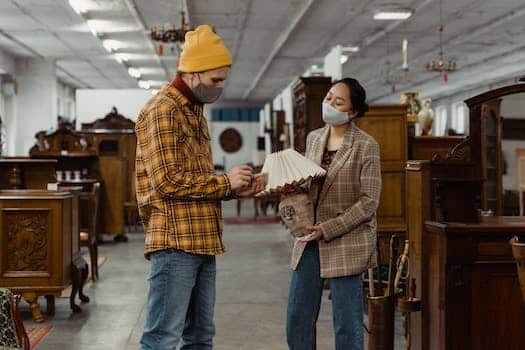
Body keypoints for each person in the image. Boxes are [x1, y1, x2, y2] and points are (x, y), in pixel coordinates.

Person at [135, 25, 265, 350]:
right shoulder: (163, 110)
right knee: (162, 338)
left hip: (203, 239)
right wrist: (224, 182)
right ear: (192, 74)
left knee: (200, 337)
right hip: (175, 241)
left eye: (223, 80)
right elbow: (166, 181)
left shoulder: (194, 111)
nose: (220, 87)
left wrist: (235, 189)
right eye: (215, 80)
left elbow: (194, 179)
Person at [286, 78, 382, 350]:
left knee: (346, 321)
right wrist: (292, 186)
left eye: (338, 102)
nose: (330, 104)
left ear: (352, 112)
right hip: (309, 238)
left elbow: (369, 202)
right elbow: (309, 183)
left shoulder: (366, 146)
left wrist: (328, 229)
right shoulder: (314, 138)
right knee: (297, 316)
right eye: (329, 97)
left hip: (347, 240)